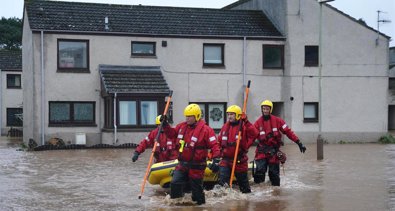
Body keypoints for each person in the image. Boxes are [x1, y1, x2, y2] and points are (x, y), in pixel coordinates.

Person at [162, 103, 221, 205]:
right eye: (186, 116)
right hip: (182, 165)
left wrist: (216, 160)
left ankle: (201, 206)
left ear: (197, 116)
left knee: (197, 193)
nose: (187, 118)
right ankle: (176, 205)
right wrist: (165, 125)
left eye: (190, 116)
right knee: (175, 183)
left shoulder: (207, 130)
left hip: (197, 166)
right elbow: (171, 134)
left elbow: (215, 146)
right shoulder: (181, 127)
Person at [253, 100, 306, 186]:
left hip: (273, 152)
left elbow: (288, 132)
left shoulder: (278, 121)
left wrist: (298, 142)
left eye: (267, 109)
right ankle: (259, 194)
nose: (265, 111)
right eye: (263, 109)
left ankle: (275, 193)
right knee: (259, 172)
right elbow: (250, 136)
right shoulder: (257, 123)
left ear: (270, 109)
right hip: (261, 152)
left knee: (274, 175)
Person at [211, 105, 259, 193]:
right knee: (223, 184)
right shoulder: (225, 127)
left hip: (239, 161)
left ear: (237, 115)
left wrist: (246, 121)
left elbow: (255, 134)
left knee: (244, 187)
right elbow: (218, 143)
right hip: (226, 161)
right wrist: (214, 157)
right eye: (228, 114)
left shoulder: (244, 126)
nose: (229, 116)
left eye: (232, 114)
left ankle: (245, 202)